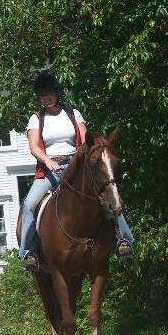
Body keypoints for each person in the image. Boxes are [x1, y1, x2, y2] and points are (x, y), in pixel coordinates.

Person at [18, 73, 135, 271]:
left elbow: (84, 138)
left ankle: (123, 239)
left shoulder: (73, 113)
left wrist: (79, 161)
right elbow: (34, 147)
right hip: (50, 169)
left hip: (76, 166)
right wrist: (48, 161)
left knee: (108, 194)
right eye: (42, 94)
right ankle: (28, 251)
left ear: (56, 93)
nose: (46, 97)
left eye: (49, 93)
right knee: (29, 205)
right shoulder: (36, 119)